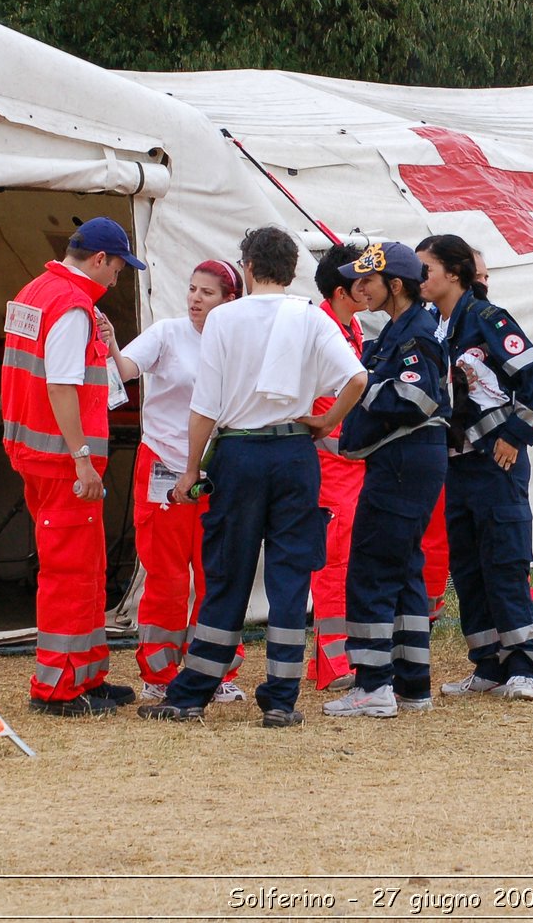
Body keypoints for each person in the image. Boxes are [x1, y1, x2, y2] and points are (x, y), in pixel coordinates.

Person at [138, 226, 367, 728]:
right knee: (289, 577)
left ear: (246, 267)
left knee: (226, 573)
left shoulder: (224, 319)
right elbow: (357, 378)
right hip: (294, 453)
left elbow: (205, 405)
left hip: (238, 453)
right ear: (292, 271)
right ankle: (282, 699)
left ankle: (191, 694)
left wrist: (192, 469)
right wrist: (327, 421)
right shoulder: (310, 317)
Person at [0, 216, 144, 717]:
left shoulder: (36, 291)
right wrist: (82, 459)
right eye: (119, 266)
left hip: (36, 452)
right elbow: (60, 385)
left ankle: (86, 674)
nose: (119, 277)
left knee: (85, 568)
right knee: (69, 572)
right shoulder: (71, 306)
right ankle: (59, 686)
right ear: (100, 259)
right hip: (63, 462)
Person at [104, 260, 247, 703]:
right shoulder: (167, 332)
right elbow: (128, 368)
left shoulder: (237, 343)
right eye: (191, 289)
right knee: (165, 574)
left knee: (215, 573)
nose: (195, 299)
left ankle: (214, 669)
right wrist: (110, 344)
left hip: (217, 469)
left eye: (206, 293)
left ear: (229, 301)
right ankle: (159, 671)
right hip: (163, 462)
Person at [321, 243, 451, 718]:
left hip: (403, 462)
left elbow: (414, 396)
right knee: (403, 570)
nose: (359, 290)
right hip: (405, 460)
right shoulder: (402, 328)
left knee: (372, 567)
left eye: (367, 281)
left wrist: (358, 387)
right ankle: (412, 684)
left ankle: (373, 684)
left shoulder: (416, 332)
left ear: (395, 285)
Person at [416, 234, 533, 701]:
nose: (419, 279)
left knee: (503, 560)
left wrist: (515, 436)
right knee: (467, 566)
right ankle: (487, 664)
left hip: (496, 463)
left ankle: (524, 666)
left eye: (426, 269)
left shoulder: (487, 319)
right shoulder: (433, 326)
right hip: (455, 465)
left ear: (454, 273)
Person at [418, 246, 489, 620]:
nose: (483, 284)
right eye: (478, 277)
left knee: (488, 542)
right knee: (439, 535)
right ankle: (426, 611)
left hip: (477, 449)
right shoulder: (426, 322)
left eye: (487, 278)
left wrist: (512, 434)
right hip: (439, 444)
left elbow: (528, 376)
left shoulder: (486, 321)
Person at [309, 244, 366, 691]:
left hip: (352, 465)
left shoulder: (352, 326)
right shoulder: (321, 329)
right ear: (344, 289)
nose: (370, 288)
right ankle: (332, 665)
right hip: (331, 468)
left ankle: (339, 658)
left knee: (347, 564)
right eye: (362, 281)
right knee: (331, 564)